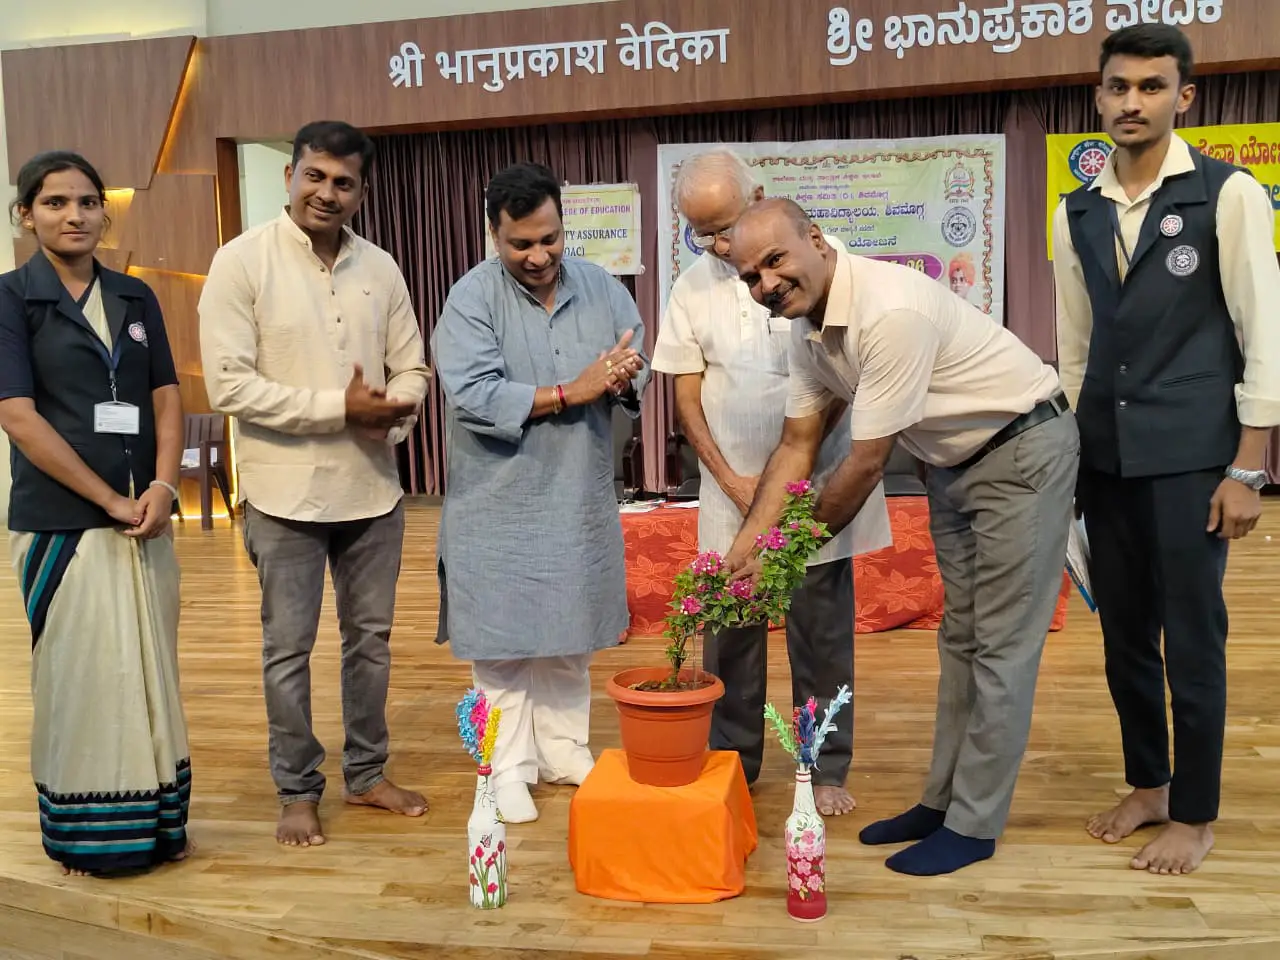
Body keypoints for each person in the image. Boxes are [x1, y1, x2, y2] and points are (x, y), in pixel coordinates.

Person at [724, 198, 1079, 876]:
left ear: (817, 242)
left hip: (1023, 450)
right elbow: (797, 446)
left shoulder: (888, 311)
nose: (766, 283)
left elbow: (863, 465)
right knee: (962, 640)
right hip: (954, 465)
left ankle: (974, 826)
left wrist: (781, 559)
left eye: (774, 261)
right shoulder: (807, 334)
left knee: (1002, 647)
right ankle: (943, 803)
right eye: (749, 277)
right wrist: (746, 550)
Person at [1052, 25, 1280, 876]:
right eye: (1118, 87)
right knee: (1123, 640)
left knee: (1192, 638)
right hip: (1105, 457)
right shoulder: (1075, 208)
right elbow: (1074, 347)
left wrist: (1248, 466)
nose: (1131, 103)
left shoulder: (1229, 194)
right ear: (1099, 95)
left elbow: (1266, 332)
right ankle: (1149, 783)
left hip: (1194, 459)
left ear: (1184, 97)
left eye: (1151, 87)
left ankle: (1195, 811)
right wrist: (1072, 458)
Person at [199, 120, 431, 848]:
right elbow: (231, 385)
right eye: (315, 177)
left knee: (370, 642)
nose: (327, 194)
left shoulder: (381, 268)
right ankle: (297, 788)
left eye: (344, 182)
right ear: (289, 175)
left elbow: (413, 368)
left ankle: (366, 774)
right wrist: (339, 408)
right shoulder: (240, 263)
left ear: (362, 190)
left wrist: (390, 420)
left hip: (372, 493)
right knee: (287, 650)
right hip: (282, 496)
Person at [651, 149, 891, 815]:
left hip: (816, 488)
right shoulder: (689, 287)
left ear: (759, 193)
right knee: (729, 633)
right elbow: (686, 393)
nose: (723, 246)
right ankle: (733, 759)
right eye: (706, 235)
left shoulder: (816, 256)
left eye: (728, 226)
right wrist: (727, 477)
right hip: (733, 495)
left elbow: (845, 372)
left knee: (822, 636)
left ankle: (825, 765)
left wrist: (795, 480)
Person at [432, 162, 648, 823]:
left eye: (549, 239)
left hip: (576, 494)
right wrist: (571, 391)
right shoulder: (470, 299)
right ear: (494, 235)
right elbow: (472, 395)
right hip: (496, 499)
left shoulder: (602, 287)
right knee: (503, 645)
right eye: (521, 244)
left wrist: (620, 379)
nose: (539, 256)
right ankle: (506, 768)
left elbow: (630, 364)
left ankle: (563, 751)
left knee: (568, 634)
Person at [0, 151, 191, 876]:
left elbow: (166, 396)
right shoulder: (11, 300)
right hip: (64, 526)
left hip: (145, 520)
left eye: (86, 202)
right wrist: (108, 498)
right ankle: (93, 838)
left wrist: (164, 489)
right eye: (54, 203)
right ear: (26, 215)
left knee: (148, 673)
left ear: (104, 212)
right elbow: (17, 415)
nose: (73, 215)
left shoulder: (136, 298)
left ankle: (157, 826)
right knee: (86, 678)